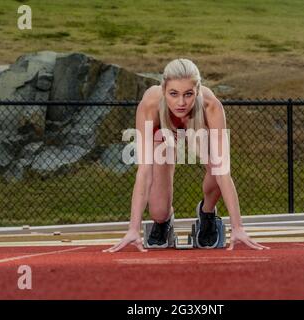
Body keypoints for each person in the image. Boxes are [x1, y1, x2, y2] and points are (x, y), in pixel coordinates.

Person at [103, 58, 270, 252]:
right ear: (163, 89)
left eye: (188, 94)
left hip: (197, 128)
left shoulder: (211, 107)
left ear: (198, 90)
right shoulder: (150, 105)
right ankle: (164, 221)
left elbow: (223, 171)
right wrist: (133, 228)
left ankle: (206, 213)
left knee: (217, 167)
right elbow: (145, 171)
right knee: (158, 212)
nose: (181, 103)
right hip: (162, 133)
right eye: (173, 94)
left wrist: (238, 227)